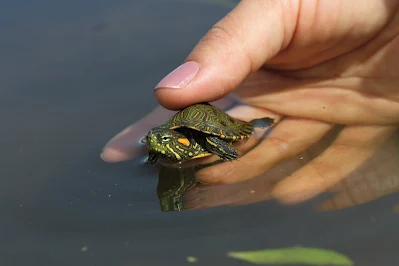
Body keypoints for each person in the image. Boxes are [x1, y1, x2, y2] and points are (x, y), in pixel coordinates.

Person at [101, 0, 399, 204]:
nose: (157, 141)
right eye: (159, 140)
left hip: (213, 124)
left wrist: (229, 152)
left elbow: (216, 141)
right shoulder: (166, 143)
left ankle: (254, 126)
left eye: (163, 139)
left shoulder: (202, 139)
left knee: (244, 139)